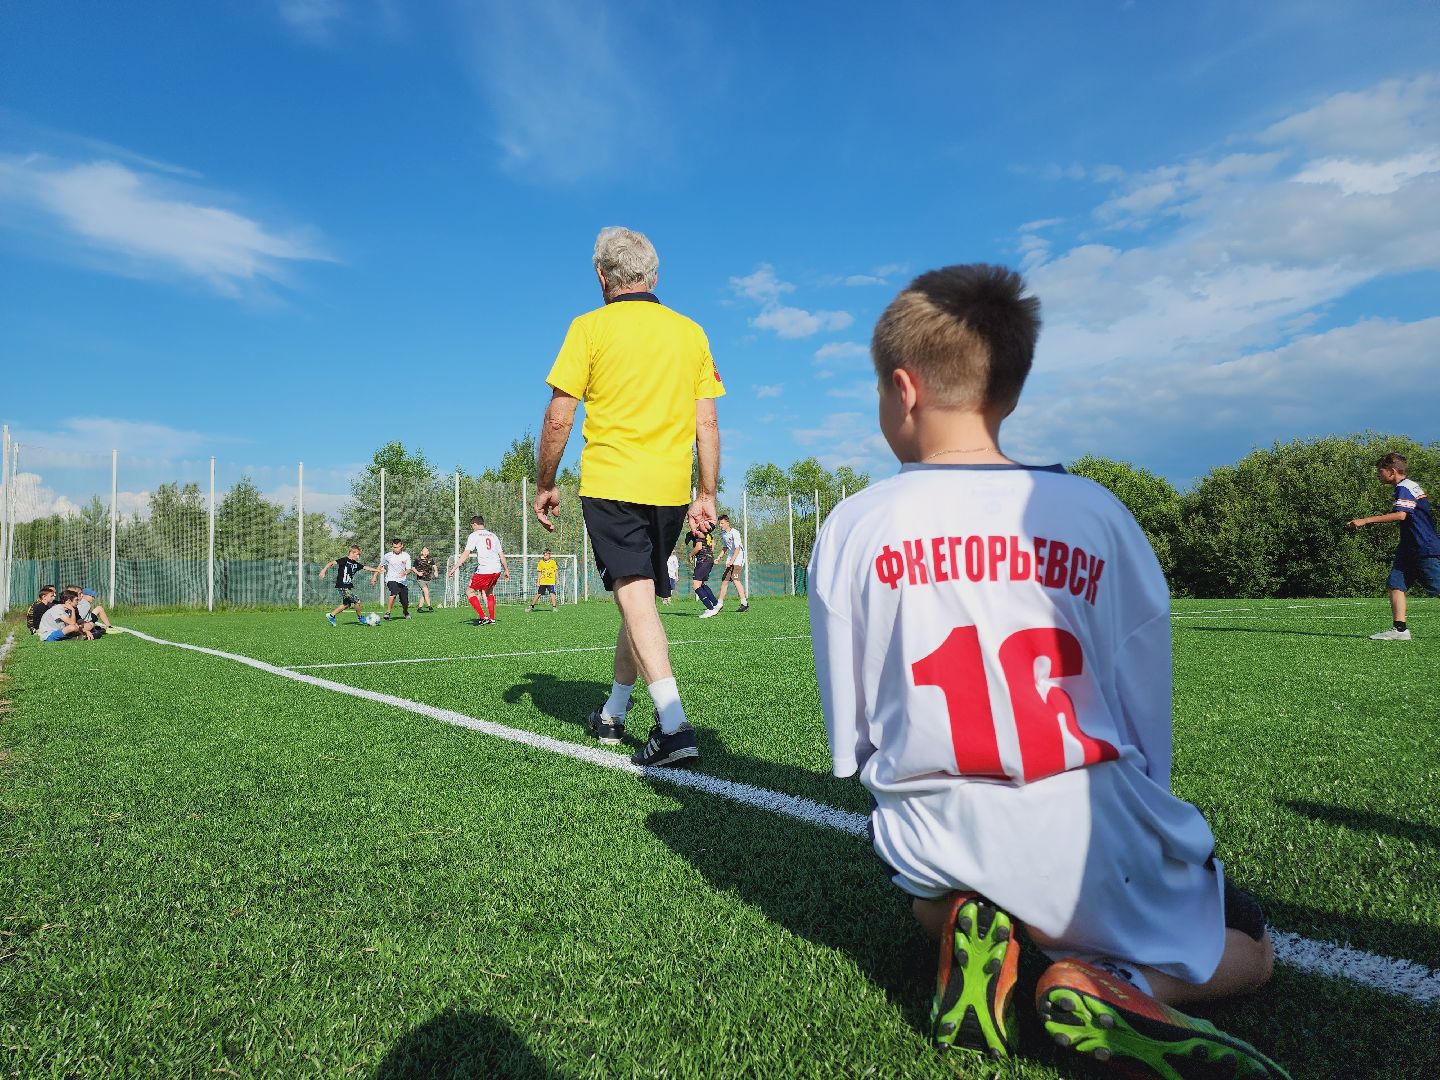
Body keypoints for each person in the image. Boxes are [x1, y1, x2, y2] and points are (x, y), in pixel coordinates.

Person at [808, 265, 1286, 1076]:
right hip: (1089, 833)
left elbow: (852, 741)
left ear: (903, 389)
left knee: (933, 875)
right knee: (1258, 949)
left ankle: (965, 922)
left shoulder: (855, 525)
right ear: (1013, 391)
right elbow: (1144, 715)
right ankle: (1117, 984)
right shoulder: (1097, 513)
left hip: (934, 833)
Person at [533, 225, 724, 767]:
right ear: (654, 276)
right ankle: (614, 713)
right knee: (634, 597)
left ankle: (674, 724)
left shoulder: (588, 328)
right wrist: (705, 493)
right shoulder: (691, 332)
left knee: (635, 595)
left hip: (613, 482)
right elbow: (706, 422)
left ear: (601, 276)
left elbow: (558, 417)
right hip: (668, 489)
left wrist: (546, 484)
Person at [1347, 452, 1440, 640]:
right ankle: (1400, 630)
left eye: (1380, 471)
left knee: (1436, 586)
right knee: (1396, 584)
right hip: (1409, 548)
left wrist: (1365, 520)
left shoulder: (1404, 487)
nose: (1378, 474)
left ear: (1392, 471)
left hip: (1423, 548)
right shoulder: (1408, 486)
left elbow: (1401, 515)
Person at [451, 515, 510, 625]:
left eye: (472, 526)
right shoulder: (493, 536)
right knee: (489, 592)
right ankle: (492, 618)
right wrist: (506, 569)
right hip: (496, 569)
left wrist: (454, 567)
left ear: (474, 524)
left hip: (484, 569)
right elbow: (501, 555)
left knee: (469, 591)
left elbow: (466, 554)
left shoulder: (474, 535)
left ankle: (483, 617)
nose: (472, 528)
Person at [319, 546, 378, 626]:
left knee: (346, 604)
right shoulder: (344, 560)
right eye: (357, 554)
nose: (358, 557)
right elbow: (331, 563)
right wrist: (324, 570)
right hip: (342, 586)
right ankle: (361, 618)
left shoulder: (355, 564)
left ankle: (331, 615)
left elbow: (365, 567)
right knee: (356, 600)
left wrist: (377, 570)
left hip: (347, 586)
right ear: (352, 553)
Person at [714, 513, 750, 613]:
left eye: (722, 523)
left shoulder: (735, 533)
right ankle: (719, 604)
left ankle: (744, 603)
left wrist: (731, 561)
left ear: (727, 523)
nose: (720, 525)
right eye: (719, 523)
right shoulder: (723, 534)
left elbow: (737, 549)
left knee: (735, 579)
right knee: (724, 581)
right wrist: (719, 557)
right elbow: (725, 547)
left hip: (738, 558)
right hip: (730, 558)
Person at [373, 538, 415, 620]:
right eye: (394, 547)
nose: (396, 549)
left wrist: (405, 573)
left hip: (402, 581)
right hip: (391, 578)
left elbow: (409, 569)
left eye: (398, 547)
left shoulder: (406, 556)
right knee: (394, 592)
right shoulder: (387, 556)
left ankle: (405, 611)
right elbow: (380, 565)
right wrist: (374, 576)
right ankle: (388, 612)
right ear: (392, 547)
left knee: (405, 602)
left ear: (402, 546)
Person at [687, 525, 721, 618]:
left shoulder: (699, 533)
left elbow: (698, 547)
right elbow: (713, 544)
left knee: (696, 585)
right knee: (701, 584)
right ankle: (716, 604)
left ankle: (710, 609)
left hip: (703, 561)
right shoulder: (708, 533)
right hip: (709, 559)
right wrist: (709, 554)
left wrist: (690, 555)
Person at [413, 546, 438, 613]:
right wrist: (418, 573)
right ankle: (430, 607)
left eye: (426, 551)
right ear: (421, 552)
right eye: (424, 551)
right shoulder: (417, 559)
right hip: (420, 579)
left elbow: (434, 566)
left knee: (424, 594)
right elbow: (413, 568)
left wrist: (436, 571)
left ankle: (419, 608)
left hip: (428, 579)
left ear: (428, 552)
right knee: (426, 591)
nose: (425, 553)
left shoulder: (430, 559)